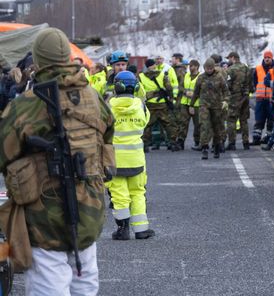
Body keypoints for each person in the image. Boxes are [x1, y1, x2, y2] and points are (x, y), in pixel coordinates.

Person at [0, 28, 115, 296]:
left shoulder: (28, 104)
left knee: (48, 286)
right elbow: (108, 134)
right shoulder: (94, 97)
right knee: (85, 282)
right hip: (90, 209)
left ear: (38, 62)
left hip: (44, 217)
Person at [106, 71, 155, 241]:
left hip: (115, 159)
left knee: (119, 195)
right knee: (138, 192)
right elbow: (145, 121)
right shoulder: (141, 106)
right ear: (135, 86)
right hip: (136, 159)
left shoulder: (108, 106)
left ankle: (123, 230)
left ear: (116, 87)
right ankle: (141, 230)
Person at [136, 59, 179, 151]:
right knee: (168, 124)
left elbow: (139, 91)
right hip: (162, 104)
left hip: (149, 104)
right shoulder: (162, 74)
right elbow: (169, 88)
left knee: (147, 125)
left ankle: (144, 145)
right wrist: (171, 98)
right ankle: (173, 143)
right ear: (154, 65)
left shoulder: (141, 76)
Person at [194, 58, 228, 160]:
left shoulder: (219, 77)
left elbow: (226, 91)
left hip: (217, 106)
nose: (209, 70)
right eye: (207, 68)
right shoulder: (201, 78)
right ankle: (204, 148)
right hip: (204, 105)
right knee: (204, 126)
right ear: (204, 68)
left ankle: (217, 147)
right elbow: (196, 92)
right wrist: (191, 105)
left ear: (213, 68)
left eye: (210, 68)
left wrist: (225, 101)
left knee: (217, 128)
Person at [223, 51, 251, 150]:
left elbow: (228, 85)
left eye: (229, 58)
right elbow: (250, 83)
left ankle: (232, 143)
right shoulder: (246, 68)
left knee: (231, 120)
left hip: (235, 97)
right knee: (244, 120)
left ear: (233, 58)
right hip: (245, 96)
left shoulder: (231, 70)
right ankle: (246, 142)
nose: (228, 60)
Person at [251, 51, 274, 145]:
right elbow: (255, 82)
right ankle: (256, 138)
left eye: (269, 57)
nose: (267, 59)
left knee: (271, 120)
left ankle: (269, 138)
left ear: (272, 58)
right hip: (260, 99)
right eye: (266, 57)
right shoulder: (258, 69)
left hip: (271, 99)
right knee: (259, 120)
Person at [179, 59, 202, 150]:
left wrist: (195, 94)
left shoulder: (200, 77)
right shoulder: (186, 76)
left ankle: (197, 141)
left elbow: (203, 89)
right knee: (183, 123)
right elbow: (180, 87)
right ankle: (181, 141)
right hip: (185, 103)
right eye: (189, 66)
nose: (190, 67)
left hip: (196, 104)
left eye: (191, 66)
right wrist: (185, 92)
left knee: (197, 124)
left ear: (196, 66)